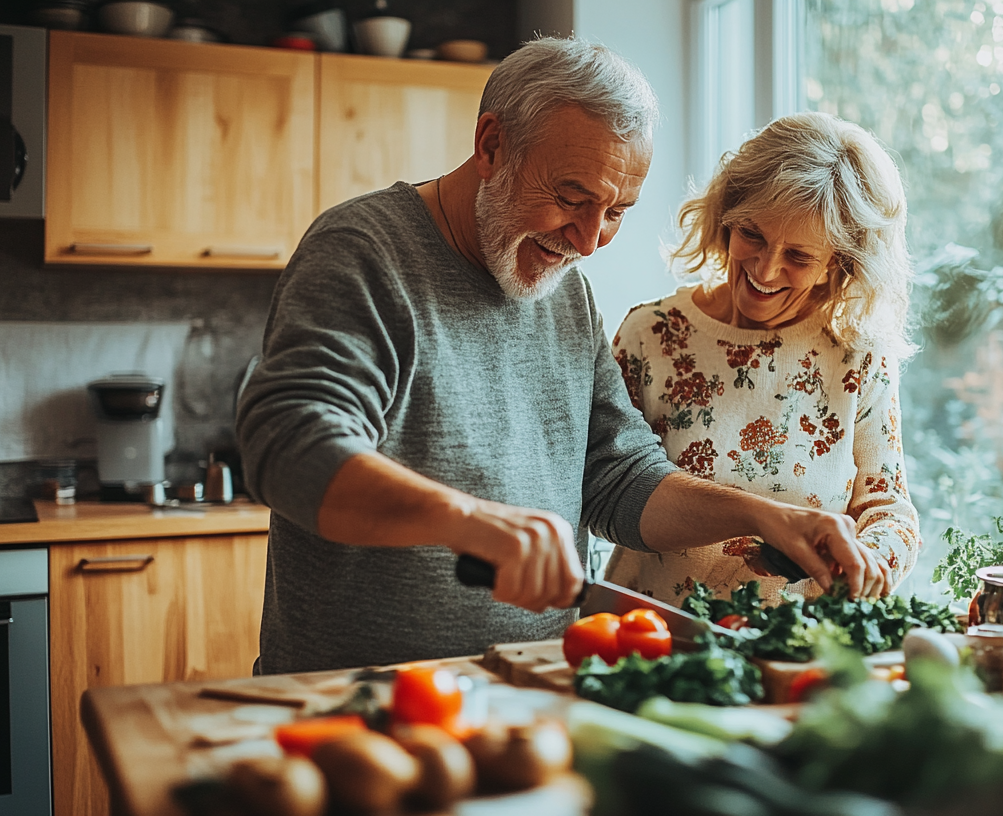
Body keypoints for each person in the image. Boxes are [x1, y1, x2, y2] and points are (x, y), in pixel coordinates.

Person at [235, 39, 889, 674]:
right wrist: (471, 522)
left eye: (616, 212)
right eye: (573, 198)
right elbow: (289, 447)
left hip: (531, 686)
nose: (588, 239)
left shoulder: (561, 289)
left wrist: (766, 515)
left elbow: (619, 477)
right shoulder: (365, 253)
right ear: (492, 145)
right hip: (359, 697)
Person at [604, 111, 921, 606]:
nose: (766, 269)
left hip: (795, 647)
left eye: (798, 257)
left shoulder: (856, 355)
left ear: (836, 264)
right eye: (752, 234)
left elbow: (888, 509)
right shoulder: (652, 335)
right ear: (727, 215)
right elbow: (604, 491)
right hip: (653, 635)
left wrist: (870, 560)